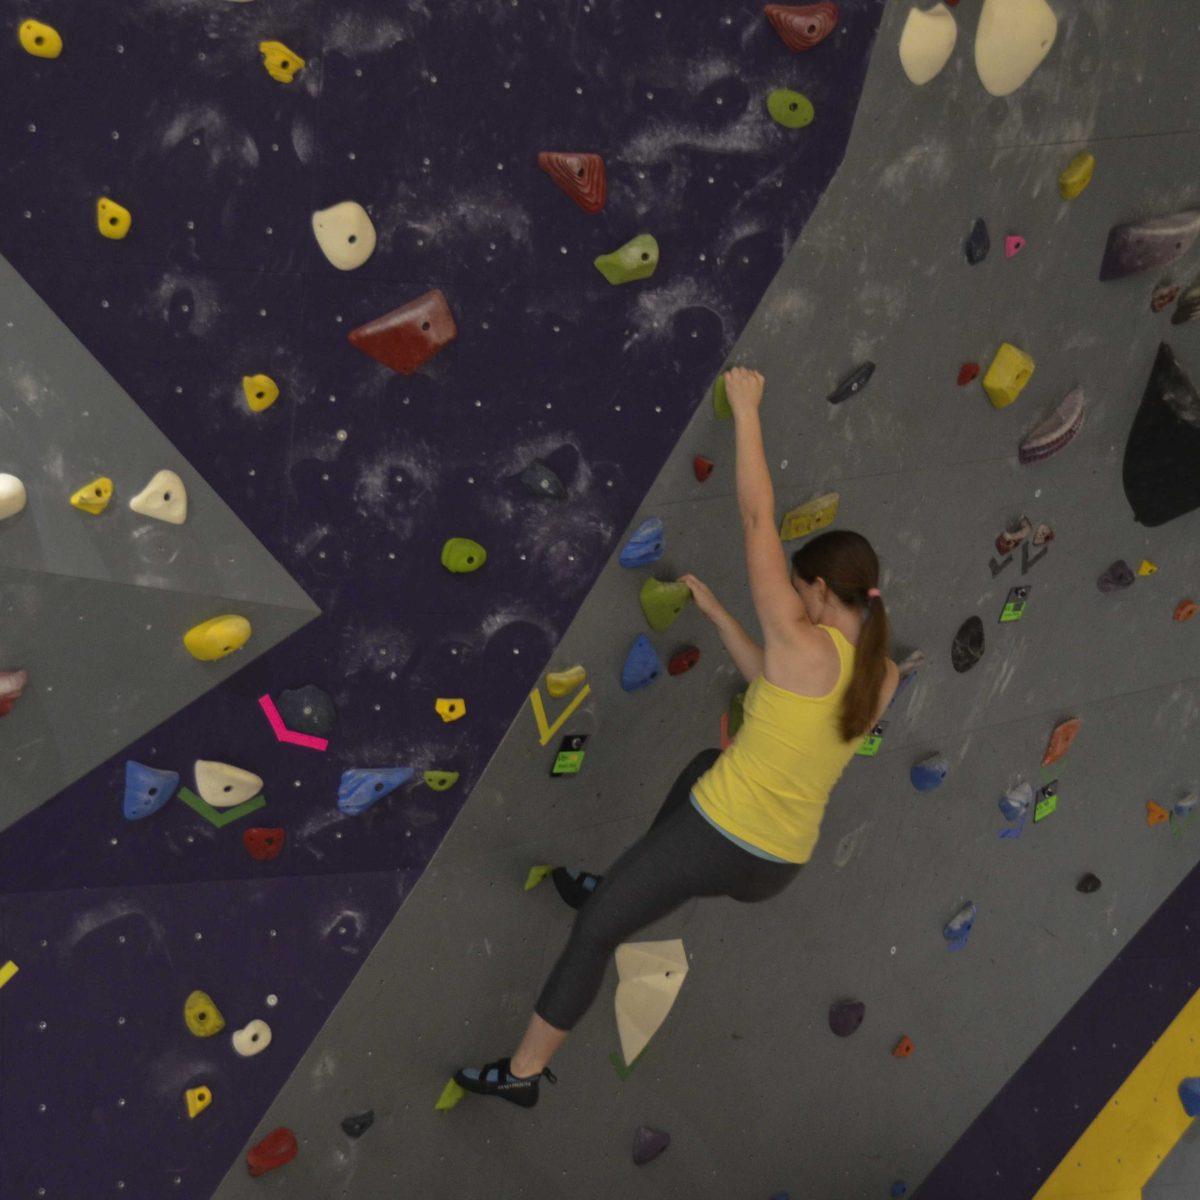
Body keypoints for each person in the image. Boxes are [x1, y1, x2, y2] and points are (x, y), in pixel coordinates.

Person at [454, 366, 899, 1106]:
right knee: (702, 763)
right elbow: (780, 697)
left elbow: (759, 521)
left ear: (819, 592)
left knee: (595, 931)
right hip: (777, 863)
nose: (789, 596)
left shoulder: (803, 638)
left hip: (722, 837)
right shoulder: (878, 675)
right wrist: (723, 618)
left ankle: (523, 1076)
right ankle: (625, 883)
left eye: (798, 587)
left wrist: (749, 409)